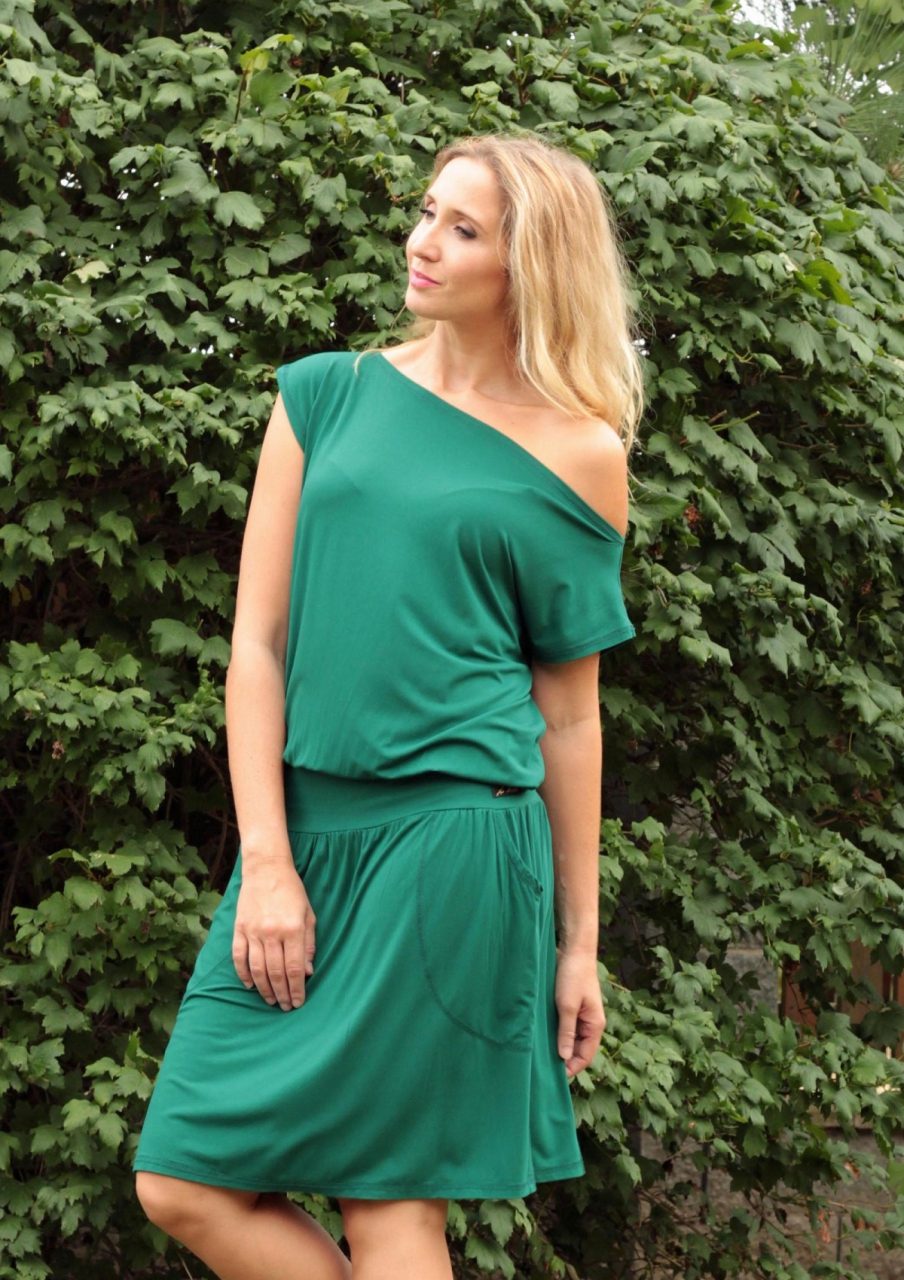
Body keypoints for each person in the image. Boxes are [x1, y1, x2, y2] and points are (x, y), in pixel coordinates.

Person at [132, 129, 643, 1280]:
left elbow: (569, 716)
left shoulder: (579, 451)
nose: (422, 242)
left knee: (390, 1208)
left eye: (462, 229)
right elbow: (257, 645)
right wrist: (267, 858)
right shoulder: (328, 394)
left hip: (454, 846)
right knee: (182, 1182)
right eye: (426, 213)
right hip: (307, 834)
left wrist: (579, 942)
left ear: (530, 266)